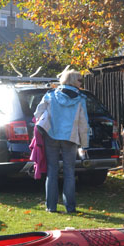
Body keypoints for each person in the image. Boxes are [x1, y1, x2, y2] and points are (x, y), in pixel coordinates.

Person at [34, 68, 89, 214]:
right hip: (70, 138)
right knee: (69, 172)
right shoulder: (80, 99)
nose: (81, 82)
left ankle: (50, 207)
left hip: (51, 135)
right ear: (72, 80)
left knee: (52, 171)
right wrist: (84, 144)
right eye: (79, 79)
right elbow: (84, 124)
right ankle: (70, 208)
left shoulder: (50, 95)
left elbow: (37, 113)